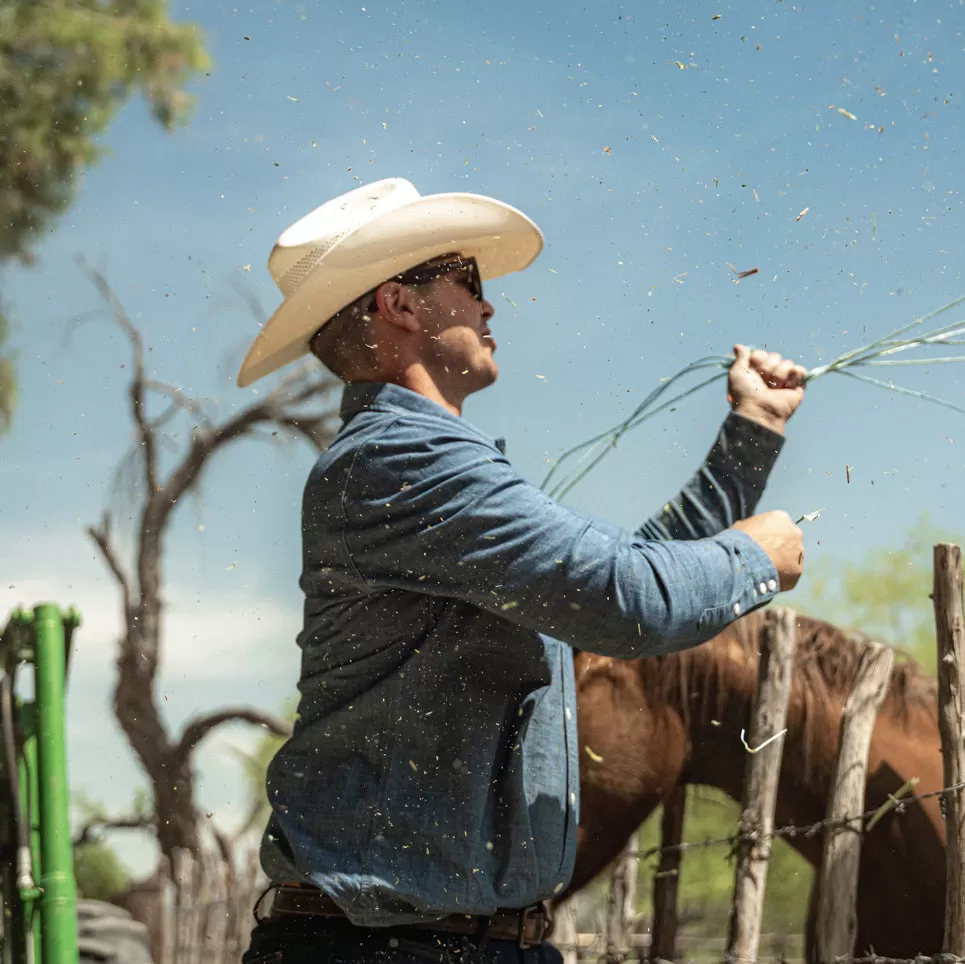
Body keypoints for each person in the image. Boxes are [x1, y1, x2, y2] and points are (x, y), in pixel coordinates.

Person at [236, 177, 807, 964]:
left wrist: (753, 429)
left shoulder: (413, 465)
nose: (488, 307)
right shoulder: (401, 460)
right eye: (467, 282)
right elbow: (626, 600)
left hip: (420, 943)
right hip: (394, 949)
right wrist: (756, 559)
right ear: (398, 305)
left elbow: (611, 582)